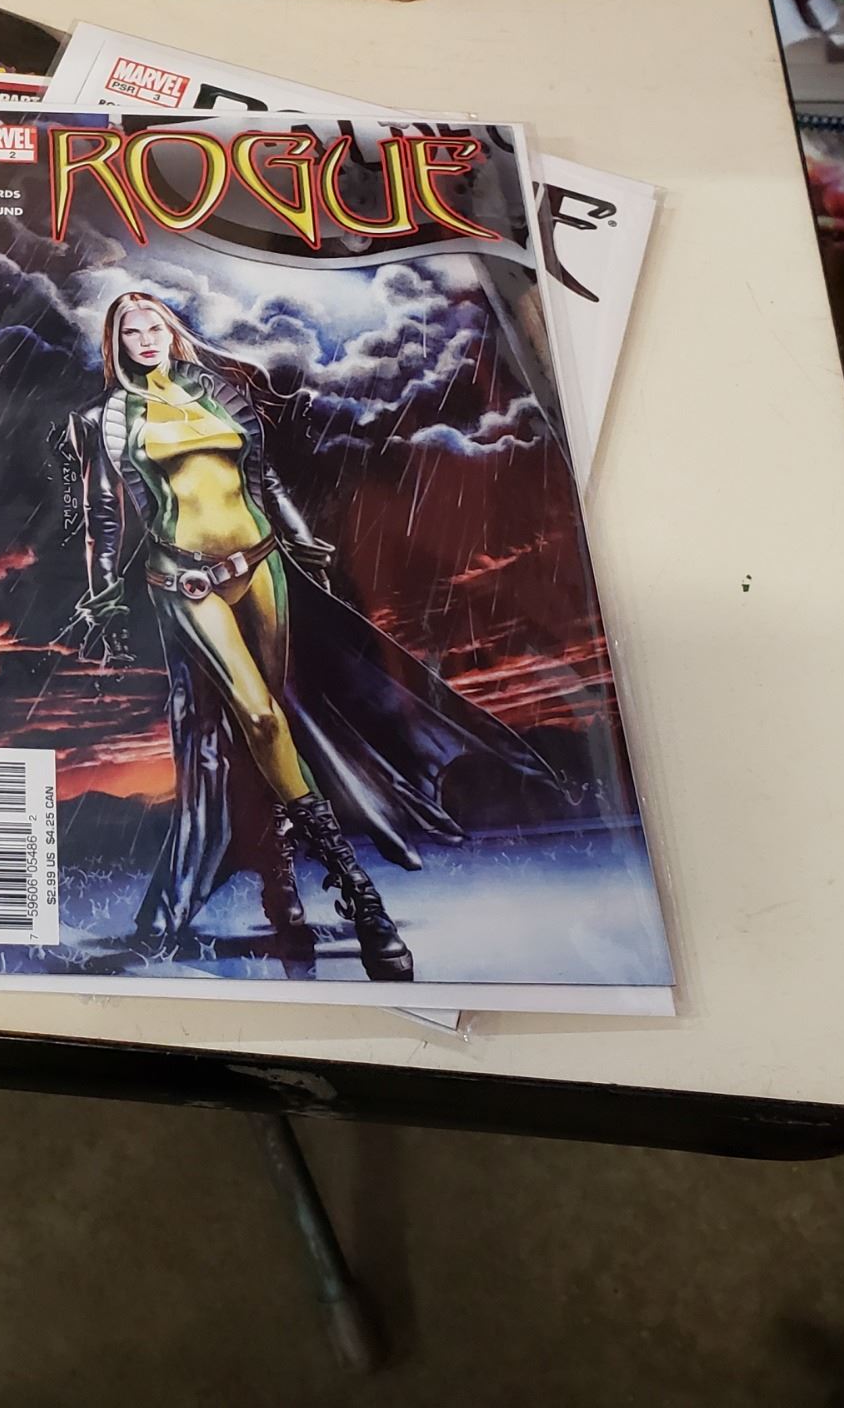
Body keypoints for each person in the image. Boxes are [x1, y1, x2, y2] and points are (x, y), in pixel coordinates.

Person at [72, 291, 558, 983]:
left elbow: (262, 479)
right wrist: (103, 598)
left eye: (154, 325)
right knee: (261, 718)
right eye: (130, 330)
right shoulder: (111, 418)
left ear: (172, 332)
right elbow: (104, 513)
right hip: (186, 581)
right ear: (116, 342)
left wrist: (302, 542)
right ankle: (360, 893)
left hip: (264, 565)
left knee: (283, 727)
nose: (144, 337)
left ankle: (284, 883)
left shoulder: (218, 394)